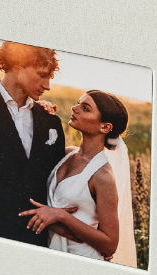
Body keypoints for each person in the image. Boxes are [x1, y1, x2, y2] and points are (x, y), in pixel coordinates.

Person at [0, 41, 67, 245]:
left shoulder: (50, 120)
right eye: (42, 75)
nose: (47, 86)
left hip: (35, 235)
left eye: (49, 78)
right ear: (17, 64)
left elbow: (56, 178)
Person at [20, 90, 133, 263]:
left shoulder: (102, 176)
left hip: (80, 258)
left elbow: (110, 244)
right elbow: (27, 176)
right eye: (79, 102)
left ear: (105, 127)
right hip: (48, 248)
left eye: (85, 108)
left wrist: (62, 216)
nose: (75, 108)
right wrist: (39, 111)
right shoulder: (66, 154)